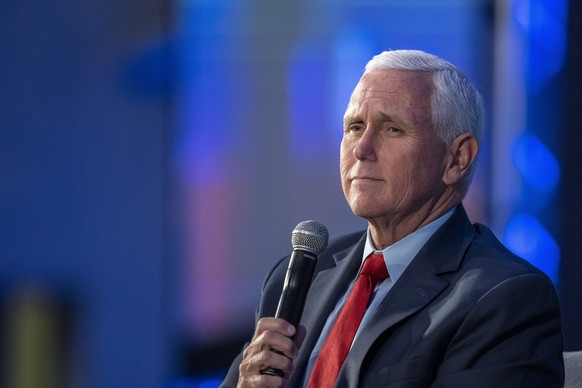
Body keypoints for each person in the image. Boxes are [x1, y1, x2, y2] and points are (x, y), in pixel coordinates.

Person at [220, 49, 564, 387]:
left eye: (392, 129)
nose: (361, 148)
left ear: (458, 158)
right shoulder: (298, 278)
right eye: (354, 127)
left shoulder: (504, 298)